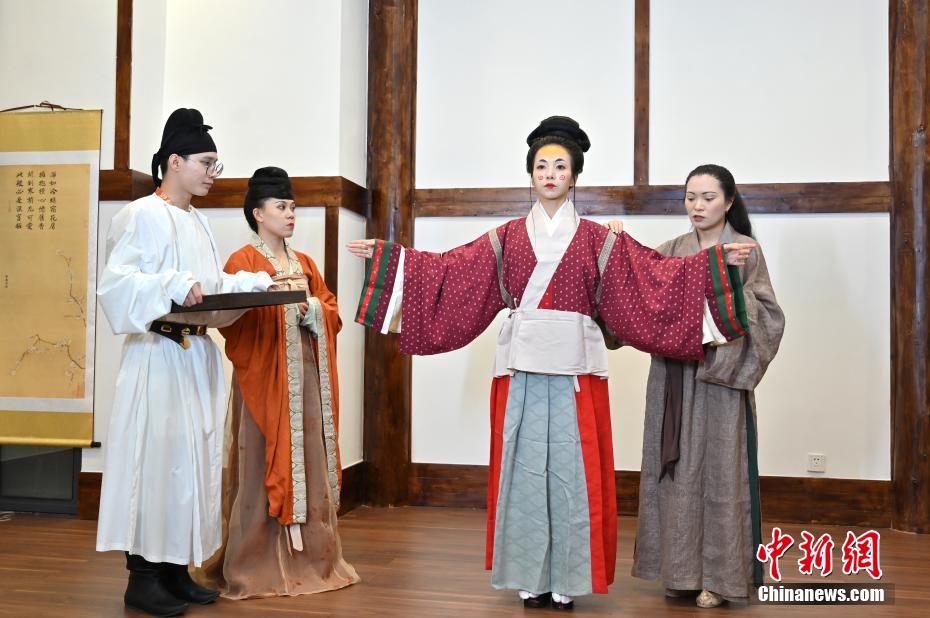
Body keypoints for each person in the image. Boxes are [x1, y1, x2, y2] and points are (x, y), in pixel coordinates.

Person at [347, 117, 756, 610]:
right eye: (541, 166)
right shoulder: (506, 238)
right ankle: (529, 575)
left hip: (575, 372)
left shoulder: (598, 239)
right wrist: (393, 258)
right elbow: (449, 270)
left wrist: (714, 266)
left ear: (574, 175)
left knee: (572, 471)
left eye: (560, 165)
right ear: (531, 175)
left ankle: (568, 576)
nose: (550, 174)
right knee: (521, 471)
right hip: (519, 368)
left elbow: (656, 277)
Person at [95, 108, 274, 617]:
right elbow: (116, 286)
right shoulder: (139, 215)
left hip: (196, 358)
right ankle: (143, 578)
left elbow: (207, 284)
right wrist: (167, 285)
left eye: (217, 163)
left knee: (189, 463)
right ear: (174, 161)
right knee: (154, 464)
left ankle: (176, 570)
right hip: (157, 359)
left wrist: (252, 285)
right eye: (206, 162)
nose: (213, 173)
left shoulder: (196, 221)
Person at [196, 167, 359, 598]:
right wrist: (279, 312)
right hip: (265, 382)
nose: (290, 215)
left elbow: (330, 308)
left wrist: (314, 313)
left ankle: (315, 564)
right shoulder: (242, 262)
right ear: (258, 212)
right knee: (259, 465)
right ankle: (255, 566)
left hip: (307, 381)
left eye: (293, 207)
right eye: (281, 207)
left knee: (309, 464)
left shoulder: (304, 263)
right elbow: (232, 321)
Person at [629, 164, 785, 608]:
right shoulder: (671, 250)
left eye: (708, 198)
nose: (697, 206)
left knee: (721, 472)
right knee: (676, 473)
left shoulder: (745, 251)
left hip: (720, 377)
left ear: (729, 202)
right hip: (674, 376)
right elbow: (642, 292)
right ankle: (678, 572)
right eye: (691, 197)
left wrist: (729, 281)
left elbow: (768, 317)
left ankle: (719, 577)